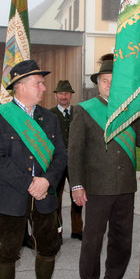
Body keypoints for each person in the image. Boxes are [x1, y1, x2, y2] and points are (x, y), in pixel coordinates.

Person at [0, 60, 68, 279]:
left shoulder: (50, 117)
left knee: (48, 247)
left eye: (43, 83)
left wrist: (46, 181)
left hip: (44, 193)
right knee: (7, 251)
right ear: (20, 86)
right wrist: (30, 183)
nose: (44, 87)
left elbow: (59, 156)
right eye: (38, 83)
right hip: (11, 194)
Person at [68, 54, 140, 279]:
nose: (109, 84)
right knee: (92, 241)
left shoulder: (132, 110)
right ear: (98, 83)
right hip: (96, 187)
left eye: (113, 81)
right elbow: (74, 153)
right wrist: (76, 185)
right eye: (105, 80)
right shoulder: (84, 111)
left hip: (125, 186)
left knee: (122, 238)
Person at [49, 79, 83, 242]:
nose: (64, 96)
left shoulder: (78, 112)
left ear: (71, 95)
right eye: (61, 93)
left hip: (76, 161)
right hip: (57, 162)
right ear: (56, 95)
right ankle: (57, 231)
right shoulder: (49, 114)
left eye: (67, 93)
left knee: (78, 196)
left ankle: (77, 230)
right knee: (56, 198)